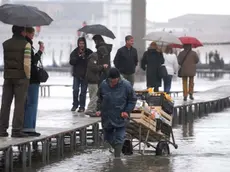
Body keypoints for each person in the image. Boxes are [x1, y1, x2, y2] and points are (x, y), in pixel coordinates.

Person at [96, 68, 137, 158]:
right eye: (111, 81)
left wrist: (127, 111)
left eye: (115, 81)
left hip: (120, 116)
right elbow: (99, 99)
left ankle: (117, 160)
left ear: (118, 78)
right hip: (107, 116)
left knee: (119, 138)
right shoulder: (103, 85)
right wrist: (98, 109)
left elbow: (132, 100)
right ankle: (119, 151)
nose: (113, 83)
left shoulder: (126, 85)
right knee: (107, 137)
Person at [0, 26, 31, 137]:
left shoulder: (6, 44)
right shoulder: (26, 44)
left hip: (8, 77)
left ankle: (2, 129)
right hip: (21, 78)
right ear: (22, 32)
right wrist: (28, 76)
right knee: (19, 104)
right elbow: (26, 64)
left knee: (5, 103)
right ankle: (16, 130)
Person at [21, 27, 44, 136]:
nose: (33, 36)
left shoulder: (24, 44)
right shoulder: (27, 45)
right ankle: (29, 128)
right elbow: (32, 61)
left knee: (27, 103)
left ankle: (27, 126)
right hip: (32, 78)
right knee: (32, 104)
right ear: (27, 33)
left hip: (26, 78)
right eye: (32, 34)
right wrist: (40, 51)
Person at [69, 37, 93, 112]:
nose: (81, 45)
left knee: (83, 91)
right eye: (80, 43)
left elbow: (93, 58)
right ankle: (75, 104)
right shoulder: (74, 52)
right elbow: (71, 62)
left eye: (83, 43)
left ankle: (82, 106)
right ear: (78, 44)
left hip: (85, 75)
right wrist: (79, 57)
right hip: (76, 74)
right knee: (75, 90)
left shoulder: (88, 52)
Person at [85, 51, 108, 116]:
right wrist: (102, 66)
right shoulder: (93, 58)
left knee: (92, 95)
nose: (103, 56)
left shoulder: (93, 57)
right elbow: (94, 68)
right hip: (93, 80)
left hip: (92, 80)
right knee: (95, 96)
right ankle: (90, 109)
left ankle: (93, 110)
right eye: (103, 55)